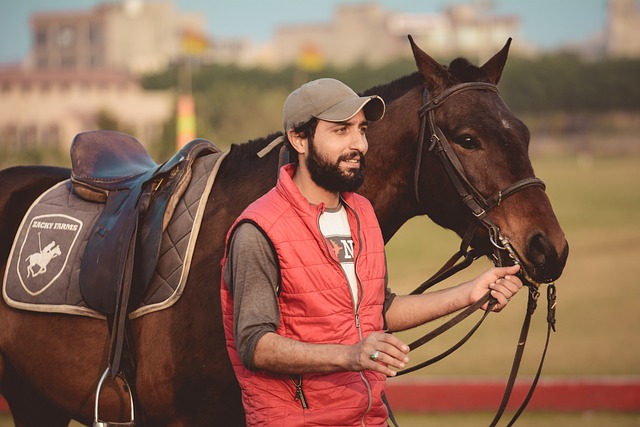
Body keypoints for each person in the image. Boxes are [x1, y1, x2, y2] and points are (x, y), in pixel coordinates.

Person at [220, 78, 522, 426]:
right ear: (299, 138)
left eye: (361, 130)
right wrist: (351, 355)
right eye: (341, 131)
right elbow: (254, 344)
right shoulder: (259, 229)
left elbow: (378, 310)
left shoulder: (362, 214)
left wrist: (469, 292)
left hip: (367, 417)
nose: (359, 144)